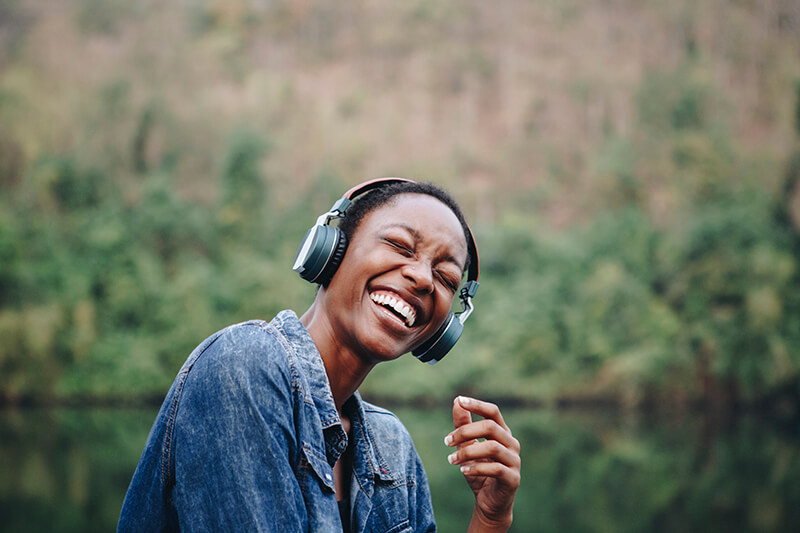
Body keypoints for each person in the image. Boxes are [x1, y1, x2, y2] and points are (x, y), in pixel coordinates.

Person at [118, 178, 520, 532]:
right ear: (331, 250)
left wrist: (490, 518)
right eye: (399, 245)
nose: (421, 278)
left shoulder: (391, 447)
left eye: (446, 278)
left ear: (442, 330)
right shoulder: (242, 366)